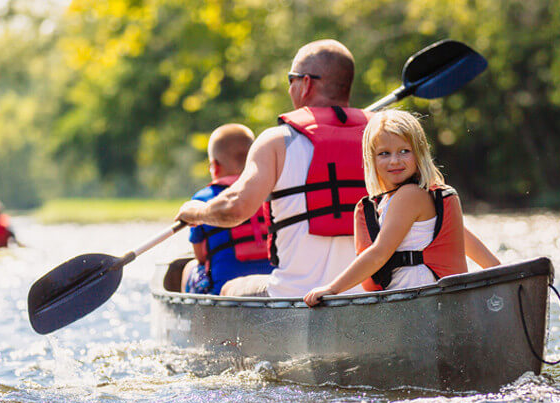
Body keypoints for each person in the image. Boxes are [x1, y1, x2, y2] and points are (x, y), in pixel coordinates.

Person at [175, 39, 371, 297]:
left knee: (229, 288)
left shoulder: (277, 140)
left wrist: (196, 212)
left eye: (291, 80)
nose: (290, 88)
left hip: (294, 293)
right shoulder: (381, 137)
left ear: (306, 83)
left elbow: (235, 208)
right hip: (369, 292)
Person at [303, 110, 500, 306]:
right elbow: (464, 239)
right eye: (384, 154)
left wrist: (332, 288)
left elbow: (379, 253)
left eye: (404, 151)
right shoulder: (408, 197)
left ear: (419, 152)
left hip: (420, 305)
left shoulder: (409, 195)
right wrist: (498, 272)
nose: (394, 161)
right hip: (426, 305)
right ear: (371, 159)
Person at [182, 124, 274, 295]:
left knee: (189, 268)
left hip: (223, 291)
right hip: (272, 287)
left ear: (215, 166)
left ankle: (190, 320)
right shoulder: (271, 192)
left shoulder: (203, 200)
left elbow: (201, 257)